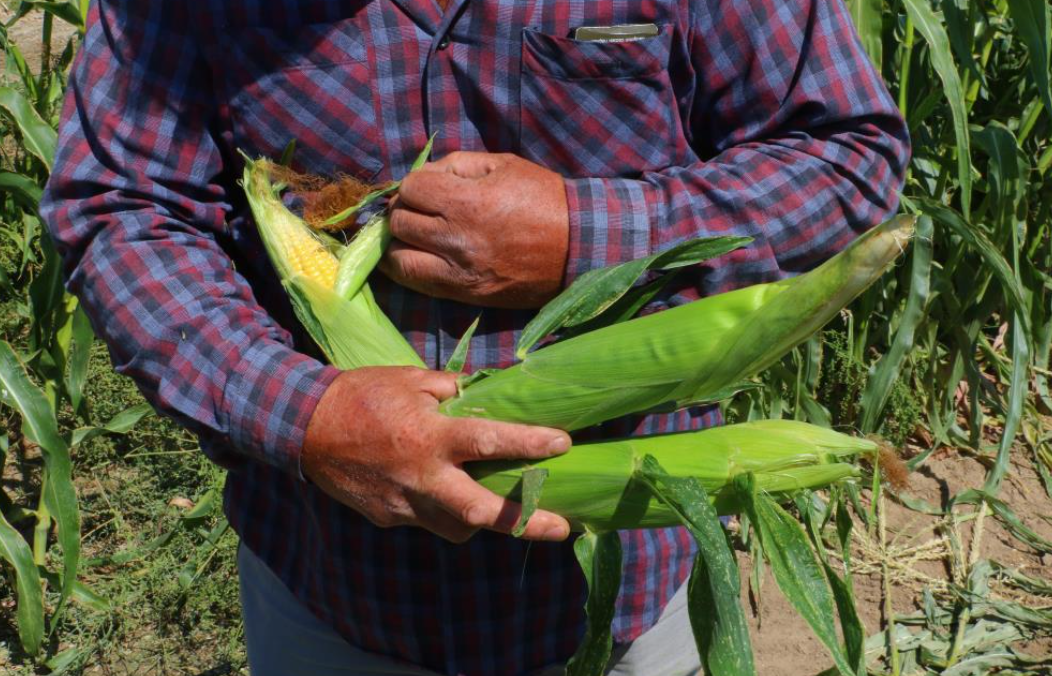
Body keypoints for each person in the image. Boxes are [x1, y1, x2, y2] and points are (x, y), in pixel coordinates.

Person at [41, 0, 909, 674]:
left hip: (619, 597)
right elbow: (124, 204)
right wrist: (302, 413)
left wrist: (584, 234)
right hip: (332, 586)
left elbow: (844, 156)